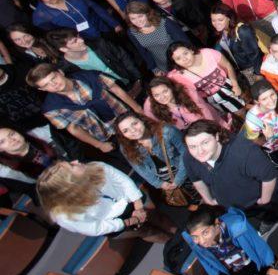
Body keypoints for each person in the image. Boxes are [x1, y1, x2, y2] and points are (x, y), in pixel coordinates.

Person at [183, 119, 278, 226]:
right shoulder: (189, 157)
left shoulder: (242, 150)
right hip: (237, 208)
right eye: (193, 146)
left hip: (267, 201)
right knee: (264, 220)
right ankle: (269, 220)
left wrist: (265, 200)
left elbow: (268, 176)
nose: (199, 151)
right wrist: (209, 200)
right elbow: (196, 179)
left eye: (205, 142)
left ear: (216, 136)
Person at [37, 160, 175, 242]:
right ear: (70, 183)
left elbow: (123, 181)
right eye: (72, 166)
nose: (76, 161)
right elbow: (96, 228)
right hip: (115, 222)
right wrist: (132, 221)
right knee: (147, 233)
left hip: (132, 199)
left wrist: (138, 208)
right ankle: (174, 245)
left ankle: (182, 236)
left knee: (160, 218)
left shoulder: (96, 166)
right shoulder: (65, 216)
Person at [29, 63, 141, 155]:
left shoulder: (90, 77)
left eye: (54, 78)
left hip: (127, 120)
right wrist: (99, 145)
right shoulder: (51, 108)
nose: (54, 84)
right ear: (42, 89)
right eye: (46, 85)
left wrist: (138, 109)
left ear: (60, 72)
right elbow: (73, 129)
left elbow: (116, 90)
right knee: (135, 158)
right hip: (106, 136)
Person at [113, 111, 194, 203]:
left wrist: (178, 179)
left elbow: (186, 153)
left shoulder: (167, 131)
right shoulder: (125, 147)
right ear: (123, 135)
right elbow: (139, 168)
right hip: (165, 179)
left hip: (186, 170)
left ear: (142, 120)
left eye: (134, 124)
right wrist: (159, 183)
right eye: (125, 131)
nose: (133, 130)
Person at [183, 207, 275, 275]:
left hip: (250, 257)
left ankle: (262, 273)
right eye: (195, 237)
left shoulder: (237, 226)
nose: (201, 241)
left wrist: (267, 265)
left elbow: (258, 246)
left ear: (216, 223)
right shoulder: (195, 241)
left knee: (265, 272)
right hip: (232, 266)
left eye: (205, 233)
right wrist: (214, 272)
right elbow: (202, 255)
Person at [167, 42, 247, 117]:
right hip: (213, 101)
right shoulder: (177, 75)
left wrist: (235, 85)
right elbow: (164, 84)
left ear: (191, 50)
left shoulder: (208, 53)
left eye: (185, 53)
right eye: (178, 58)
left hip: (230, 87)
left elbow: (227, 65)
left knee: (246, 108)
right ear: (175, 62)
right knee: (237, 116)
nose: (185, 59)